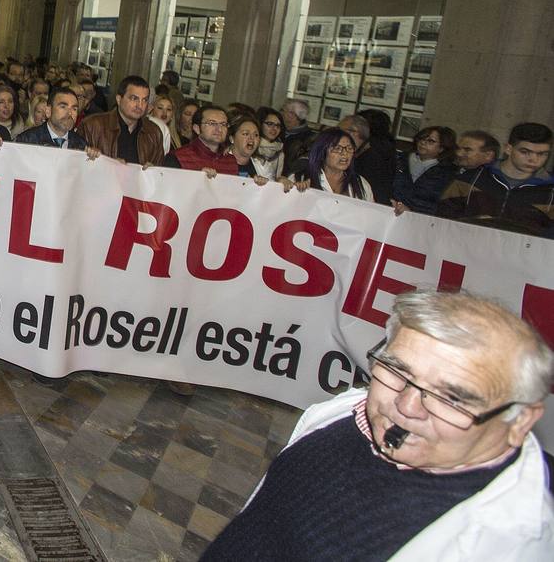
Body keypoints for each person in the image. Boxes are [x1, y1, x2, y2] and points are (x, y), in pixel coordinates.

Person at [204, 288, 554, 560]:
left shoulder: (502, 545)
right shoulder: (345, 415)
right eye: (398, 371)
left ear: (520, 419)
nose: (405, 406)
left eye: (452, 398)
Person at [436, 122, 552, 238]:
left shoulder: (550, 192)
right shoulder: (470, 179)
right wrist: (473, 224)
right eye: (525, 152)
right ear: (508, 149)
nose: (533, 159)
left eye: (542, 154)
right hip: (465, 247)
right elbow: (442, 217)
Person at [79, 75, 165, 165]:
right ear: (119, 99)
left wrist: (153, 171)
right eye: (134, 98)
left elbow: (161, 172)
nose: (140, 105)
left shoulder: (153, 132)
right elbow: (77, 166)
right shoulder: (92, 125)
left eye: (144, 100)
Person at [284, 128, 374, 201]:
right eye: (337, 148)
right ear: (322, 152)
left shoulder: (361, 183)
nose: (344, 154)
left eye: (349, 148)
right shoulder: (299, 178)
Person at [392, 126, 458, 216]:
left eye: (431, 141)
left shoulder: (447, 172)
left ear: (442, 148)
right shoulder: (400, 160)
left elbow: (439, 203)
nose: (423, 143)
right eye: (421, 139)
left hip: (423, 219)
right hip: (392, 211)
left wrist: (412, 211)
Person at [16, 86, 94, 152]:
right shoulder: (26, 141)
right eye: (63, 107)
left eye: (74, 109)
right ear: (48, 111)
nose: (70, 113)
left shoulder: (81, 145)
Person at [164, 104, 238, 174]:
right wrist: (197, 178)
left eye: (223, 124)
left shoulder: (231, 161)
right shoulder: (177, 157)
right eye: (212, 123)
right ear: (197, 129)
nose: (219, 129)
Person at [340, 114, 393, 204]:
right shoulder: (362, 153)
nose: (336, 135)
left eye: (340, 131)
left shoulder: (374, 161)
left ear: (354, 133)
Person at [226, 116, 270, 181]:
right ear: (232, 138)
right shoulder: (219, 162)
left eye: (256, 135)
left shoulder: (263, 166)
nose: (251, 138)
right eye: (246, 134)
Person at [280, 98, 317, 165]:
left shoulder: (309, 140)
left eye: (283, 110)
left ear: (292, 115)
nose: (281, 113)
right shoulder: (279, 130)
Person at [252, 105, 285, 179]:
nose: (274, 129)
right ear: (260, 123)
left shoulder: (279, 151)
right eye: (270, 124)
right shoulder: (251, 144)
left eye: (278, 126)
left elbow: (277, 178)